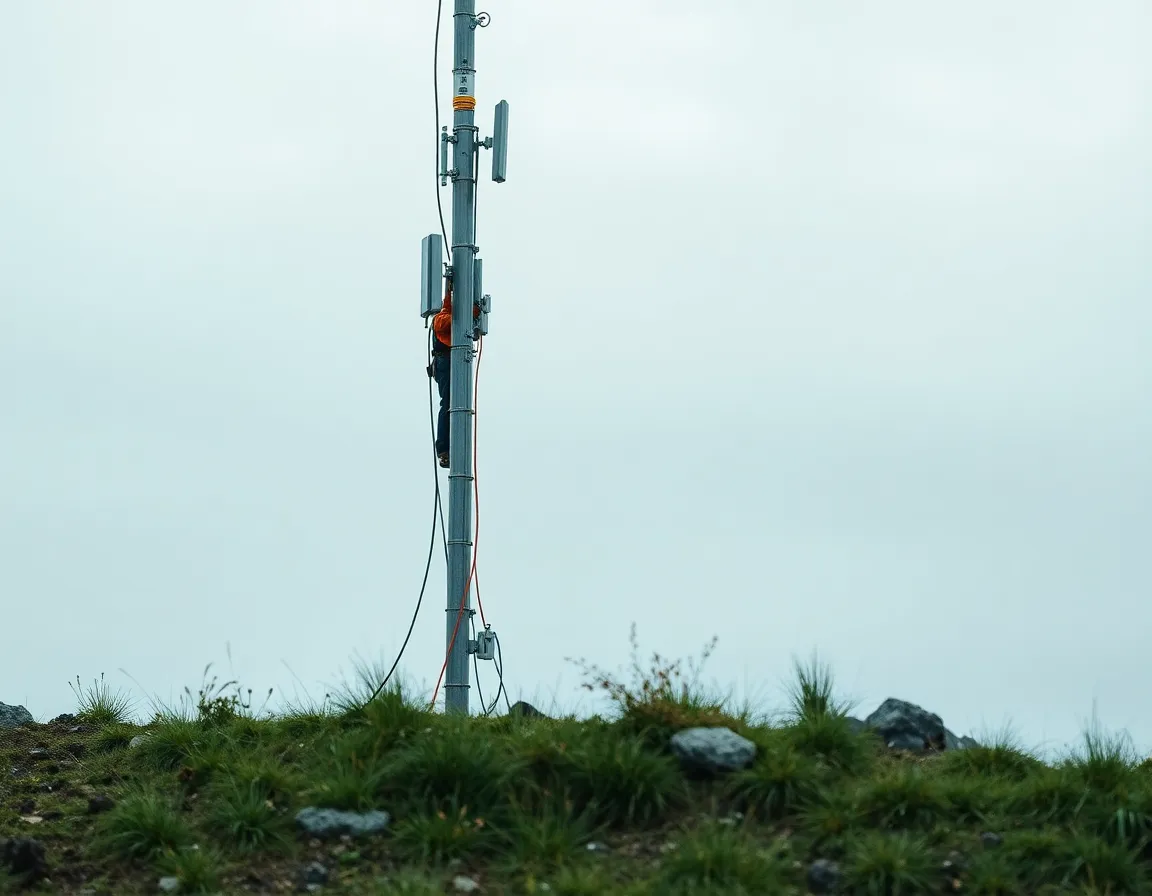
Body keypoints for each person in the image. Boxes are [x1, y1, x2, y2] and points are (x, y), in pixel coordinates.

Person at [430, 277, 479, 468]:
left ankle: (452, 447)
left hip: (454, 359)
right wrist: (466, 312)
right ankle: (444, 449)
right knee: (449, 403)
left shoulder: (452, 315)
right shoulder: (441, 318)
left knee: (457, 403)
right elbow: (447, 323)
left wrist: (471, 313)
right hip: (445, 361)